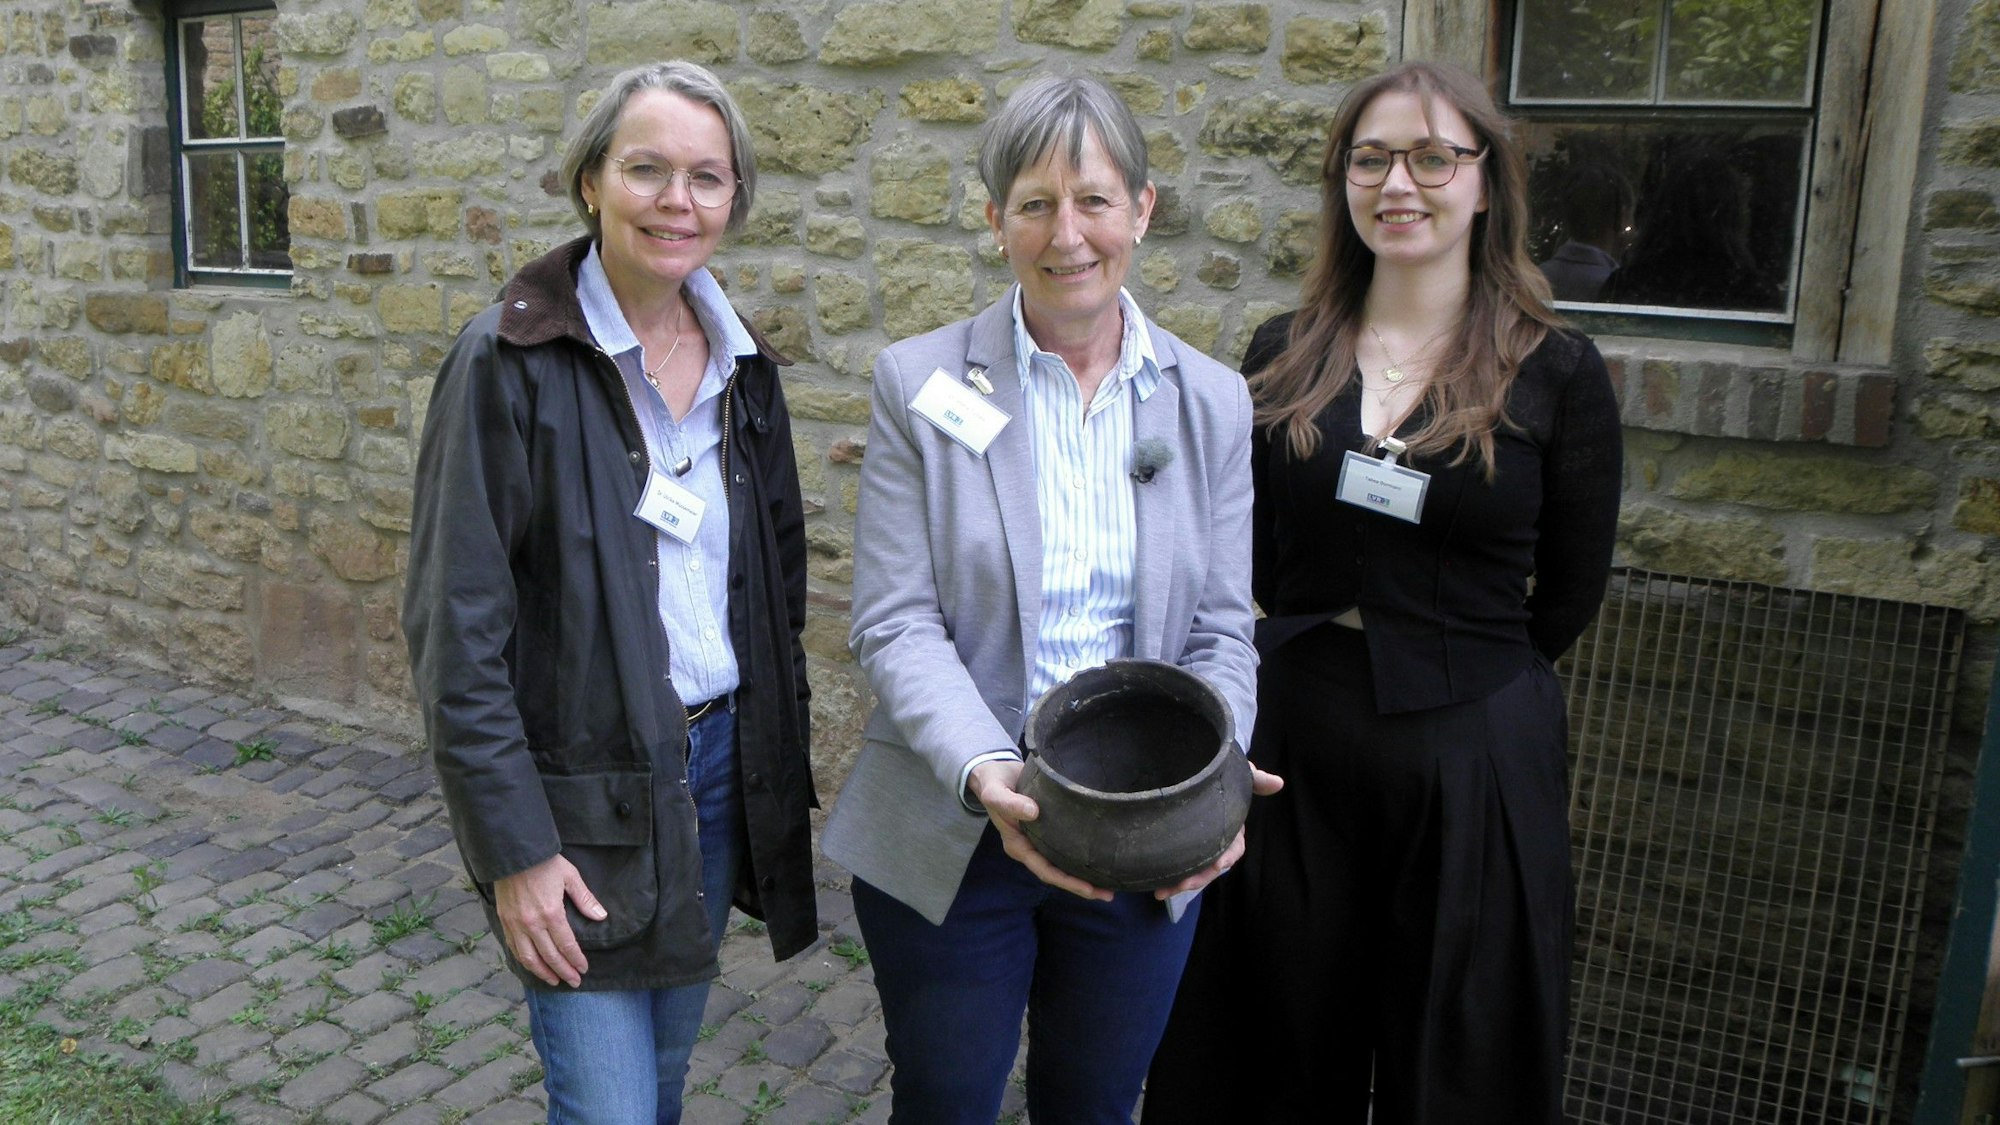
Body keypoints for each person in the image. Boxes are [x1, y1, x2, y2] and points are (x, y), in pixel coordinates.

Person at [1146, 60, 1623, 1124]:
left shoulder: (1554, 369)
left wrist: (1461, 667)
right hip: (1298, 740)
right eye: (1369, 158)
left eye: (1430, 156)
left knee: (1455, 1050)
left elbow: (1569, 593)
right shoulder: (1281, 353)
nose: (1396, 183)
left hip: (1473, 749)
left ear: (1484, 183)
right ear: (1342, 181)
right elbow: (1251, 554)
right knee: (1273, 1034)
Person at [819, 74, 1274, 1124]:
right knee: (945, 1100)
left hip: (1139, 825)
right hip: (952, 825)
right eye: (1033, 203)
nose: (1065, 234)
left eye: (1094, 200)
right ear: (994, 221)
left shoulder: (1209, 400)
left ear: (1142, 210)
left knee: (1095, 1103)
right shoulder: (920, 383)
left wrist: (1212, 779)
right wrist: (986, 772)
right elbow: (892, 618)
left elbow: (1219, 624)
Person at [401, 60, 816, 1125]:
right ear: (590, 181)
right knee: (611, 1109)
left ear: (733, 200)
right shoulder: (505, 361)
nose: (677, 201)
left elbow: (774, 580)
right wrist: (515, 850)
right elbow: (456, 633)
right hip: (577, 797)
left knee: (664, 1083)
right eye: (647, 169)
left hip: (710, 774)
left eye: (706, 178)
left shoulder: (743, 366)